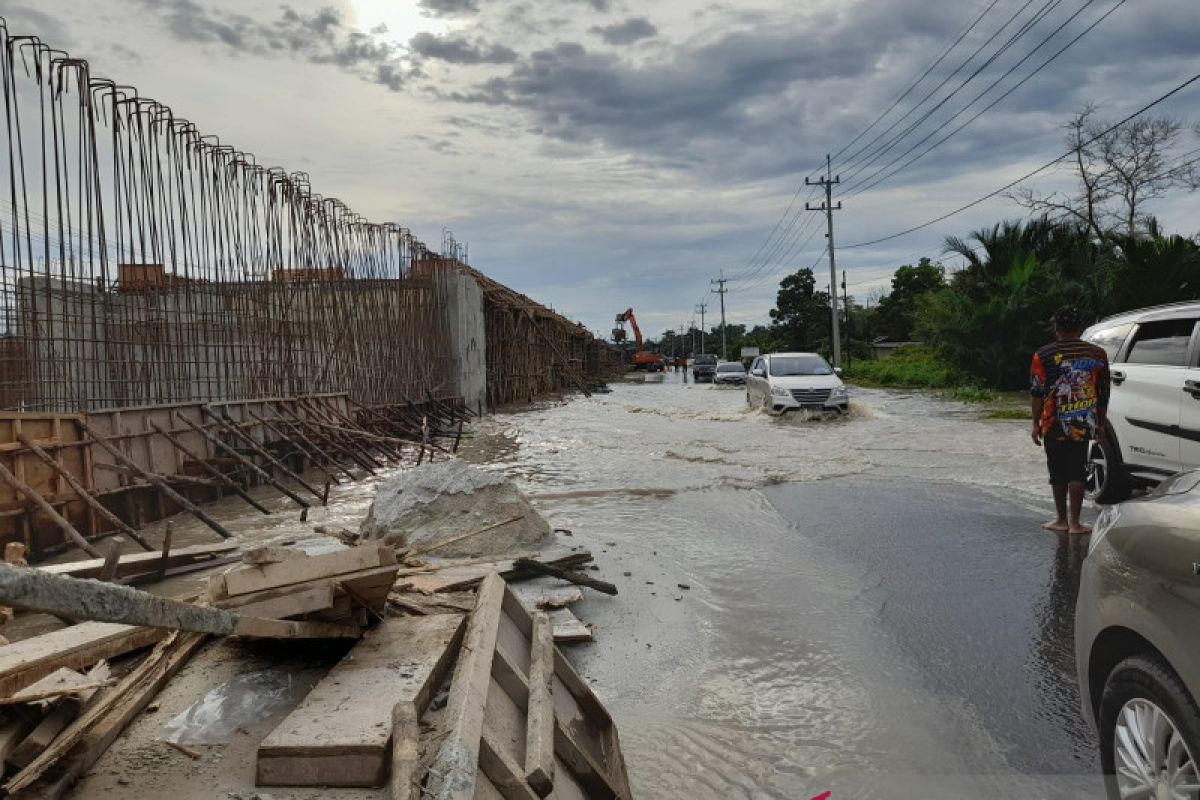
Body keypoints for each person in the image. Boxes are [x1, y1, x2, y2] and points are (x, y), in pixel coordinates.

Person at [1029, 306, 1110, 534]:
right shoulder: (1098, 354)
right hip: (1085, 421)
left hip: (1052, 422)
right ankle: (1076, 523)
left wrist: (1035, 424)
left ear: (1056, 328)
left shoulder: (1042, 355)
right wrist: (1101, 423)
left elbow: (1037, 392)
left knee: (1057, 471)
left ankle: (1061, 520)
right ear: (1080, 328)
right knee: (1077, 469)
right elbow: (1103, 393)